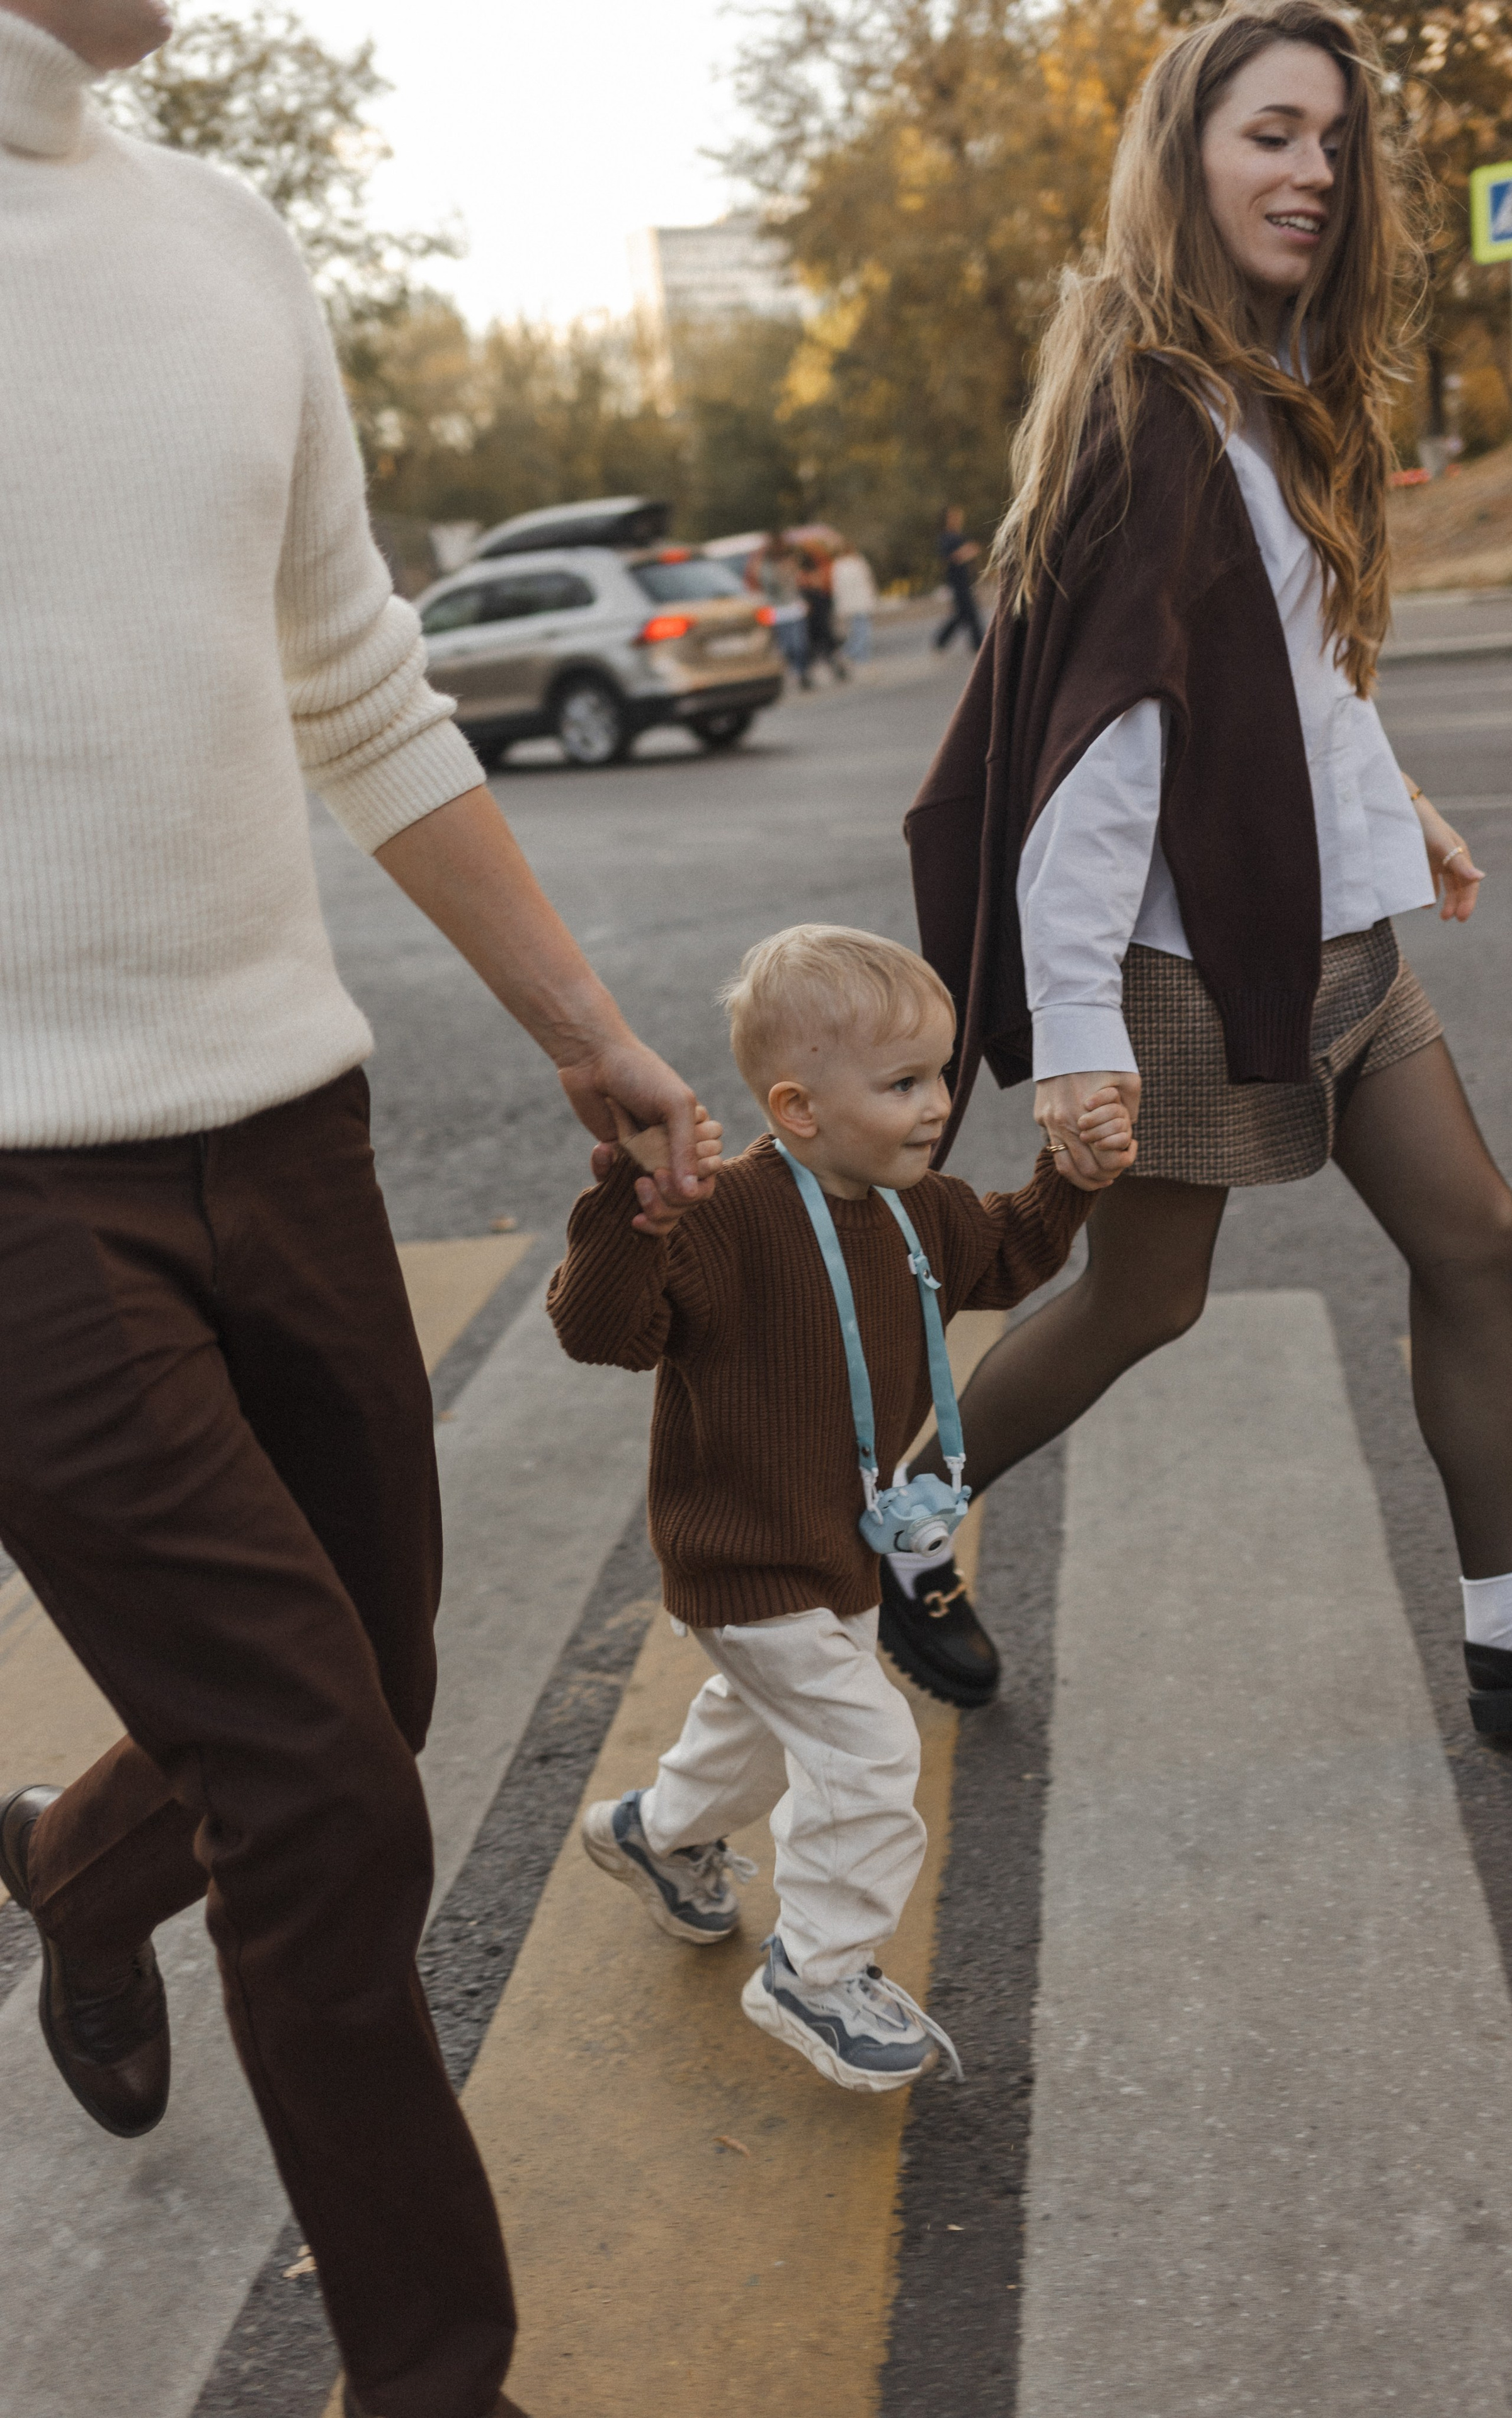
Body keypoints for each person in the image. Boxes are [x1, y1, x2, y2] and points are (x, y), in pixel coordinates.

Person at [0, 8, 708, 2416]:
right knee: (315, 1787)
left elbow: (364, 690)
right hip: (13, 1202)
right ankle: (436, 2375)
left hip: (289, 1127)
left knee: (369, 1690)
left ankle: (77, 1880)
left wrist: (583, 1033)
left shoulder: (218, 237)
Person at [887, 0, 1512, 1740]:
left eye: (1336, 146)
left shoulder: (1268, 388)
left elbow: (1291, 664)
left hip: (1329, 931)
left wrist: (1393, 801)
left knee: (1474, 1232)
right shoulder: (1156, 418)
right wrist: (1079, 1040)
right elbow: (1100, 759)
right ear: (1186, 156)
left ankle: (1510, 1628)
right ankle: (894, 1521)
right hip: (1185, 963)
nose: (1313, 174)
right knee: (1148, 1295)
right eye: (1272, 135)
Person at [547, 927, 1131, 2086]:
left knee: (761, 1731)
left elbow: (1010, 1255)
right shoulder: (722, 1216)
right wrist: (634, 1214)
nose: (937, 1107)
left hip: (832, 1550)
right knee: (864, 1747)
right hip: (743, 1555)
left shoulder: (922, 1210)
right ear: (799, 1107)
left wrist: (1074, 1182)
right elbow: (598, 1332)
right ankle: (815, 1973)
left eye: (942, 1076)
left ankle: (653, 1835)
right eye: (905, 1084)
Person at [758, 532, 812, 688]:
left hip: (795, 607)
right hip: (779, 610)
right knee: (787, 647)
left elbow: (798, 582)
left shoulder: (791, 560)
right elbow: (768, 585)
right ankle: (796, 671)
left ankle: (803, 672)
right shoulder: (767, 565)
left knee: (800, 644)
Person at [932, 505, 984, 652]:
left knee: (962, 614)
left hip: (966, 580)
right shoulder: (946, 538)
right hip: (958, 581)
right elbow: (952, 557)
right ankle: (979, 644)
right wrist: (970, 550)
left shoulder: (958, 536)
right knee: (971, 613)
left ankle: (941, 640)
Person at [799, 538, 851, 683]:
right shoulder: (804, 570)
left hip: (819, 611)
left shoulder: (821, 567)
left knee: (825, 643)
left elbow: (827, 587)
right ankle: (807, 675)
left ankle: (834, 670)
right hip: (812, 613)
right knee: (818, 645)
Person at [832, 542, 879, 666]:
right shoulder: (858, 562)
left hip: (851, 603)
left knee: (859, 630)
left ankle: (861, 656)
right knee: (863, 631)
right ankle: (850, 654)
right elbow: (868, 581)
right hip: (861, 601)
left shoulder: (839, 565)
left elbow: (837, 588)